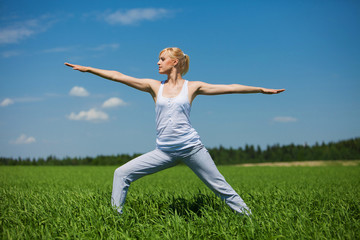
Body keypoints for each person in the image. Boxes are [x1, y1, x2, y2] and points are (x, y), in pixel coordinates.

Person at [65, 47, 285, 216]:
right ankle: (114, 218)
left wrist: (260, 90)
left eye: (162, 59)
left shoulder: (192, 87)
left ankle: (250, 218)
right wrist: (89, 69)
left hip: (191, 148)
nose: (158, 62)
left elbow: (231, 87)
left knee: (221, 187)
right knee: (121, 173)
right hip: (164, 152)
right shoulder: (154, 86)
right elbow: (118, 76)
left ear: (175, 62)